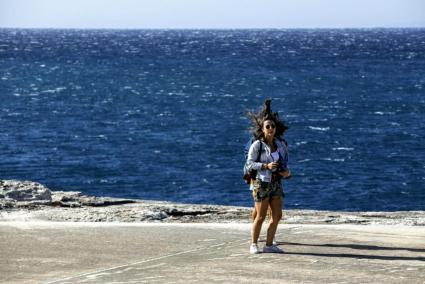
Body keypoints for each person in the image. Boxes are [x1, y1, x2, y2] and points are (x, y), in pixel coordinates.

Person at [245, 100, 290, 254]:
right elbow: (250, 163)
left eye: (273, 126)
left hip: (276, 183)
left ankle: (269, 245)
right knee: (260, 216)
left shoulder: (281, 144)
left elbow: (285, 163)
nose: (271, 128)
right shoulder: (257, 145)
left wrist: (286, 172)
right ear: (263, 129)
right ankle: (254, 244)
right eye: (268, 126)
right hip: (262, 183)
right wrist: (266, 166)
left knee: (277, 215)